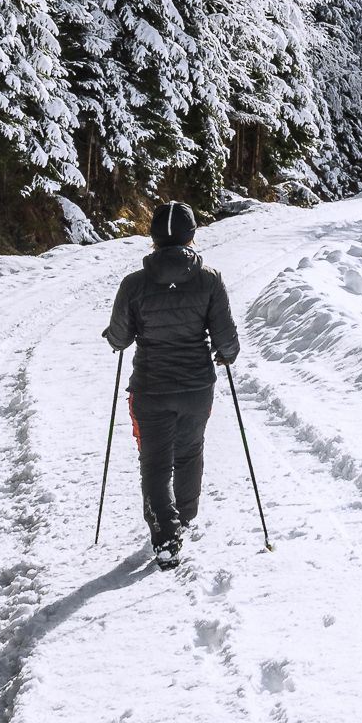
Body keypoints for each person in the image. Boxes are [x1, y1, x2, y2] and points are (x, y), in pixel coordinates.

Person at [103, 199, 237, 565]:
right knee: (190, 451)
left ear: (153, 237)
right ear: (191, 236)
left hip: (151, 387)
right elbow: (226, 340)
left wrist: (114, 337)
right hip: (196, 388)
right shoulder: (210, 280)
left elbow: (120, 337)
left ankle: (165, 534)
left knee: (155, 462)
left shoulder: (134, 284)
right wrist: (225, 353)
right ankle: (185, 518)